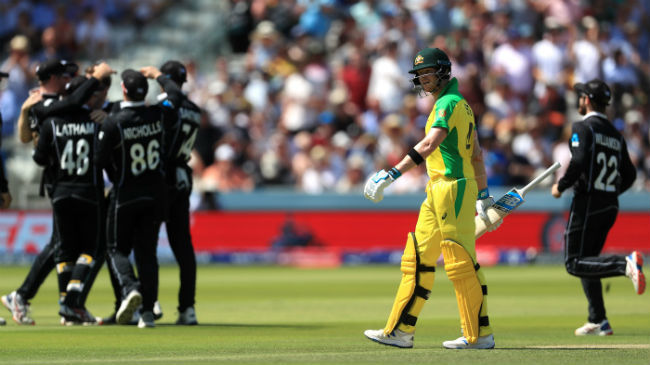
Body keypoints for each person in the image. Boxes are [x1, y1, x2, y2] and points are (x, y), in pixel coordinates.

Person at [362, 47, 497, 350]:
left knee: (460, 261)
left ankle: (479, 335)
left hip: (454, 188)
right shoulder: (455, 104)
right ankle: (399, 331)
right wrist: (485, 195)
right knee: (417, 260)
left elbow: (429, 144)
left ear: (443, 73)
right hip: (437, 189)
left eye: (428, 73)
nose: (423, 79)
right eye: (420, 74)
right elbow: (477, 153)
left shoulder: (450, 103)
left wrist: (391, 174)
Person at [1, 61, 113, 325]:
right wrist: (96, 77)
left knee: (65, 246)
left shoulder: (48, 105)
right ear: (52, 78)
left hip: (63, 183)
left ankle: (67, 305)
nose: (68, 79)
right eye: (64, 75)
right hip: (64, 181)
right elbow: (28, 138)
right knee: (64, 246)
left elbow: (28, 139)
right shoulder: (48, 104)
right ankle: (30, 296)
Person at [551, 79, 643, 336]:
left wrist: (561, 185)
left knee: (574, 262)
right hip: (609, 205)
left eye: (581, 96)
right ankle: (598, 319)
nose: (579, 100)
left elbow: (578, 161)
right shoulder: (615, 134)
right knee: (588, 258)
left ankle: (625, 265)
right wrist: (611, 192)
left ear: (587, 100)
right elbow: (631, 175)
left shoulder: (583, 127)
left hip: (588, 202)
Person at [95, 67, 181, 328]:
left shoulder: (113, 121)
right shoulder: (157, 111)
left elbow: (98, 160)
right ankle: (146, 315)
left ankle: (130, 288)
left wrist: (115, 169)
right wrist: (159, 75)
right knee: (147, 254)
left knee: (114, 248)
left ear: (122, 90)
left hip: (126, 193)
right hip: (155, 194)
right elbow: (175, 95)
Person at [32, 76, 105, 324]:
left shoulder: (51, 122)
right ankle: (72, 300)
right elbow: (103, 158)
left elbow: (39, 159)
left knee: (64, 251)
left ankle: (67, 307)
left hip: (61, 191)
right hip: (88, 192)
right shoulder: (96, 122)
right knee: (89, 250)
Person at [158, 60, 200, 325]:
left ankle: (149, 300)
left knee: (146, 242)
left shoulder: (167, 105)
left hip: (161, 177)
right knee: (183, 247)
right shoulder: (195, 109)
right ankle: (188, 308)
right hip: (184, 176)